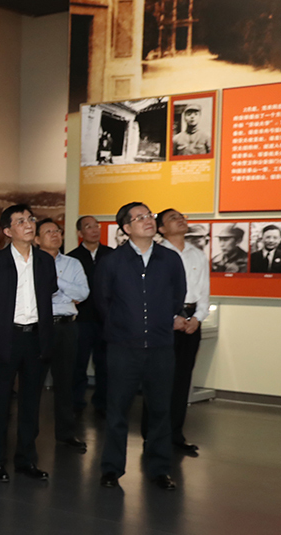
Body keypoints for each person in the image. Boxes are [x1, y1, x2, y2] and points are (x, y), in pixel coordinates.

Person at [95, 202, 186, 491]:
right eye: (140, 217)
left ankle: (159, 469)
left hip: (160, 346)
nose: (148, 220)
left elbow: (178, 295)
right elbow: (102, 301)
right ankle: (111, 469)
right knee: (117, 410)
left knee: (160, 410)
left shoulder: (169, 259)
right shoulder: (112, 261)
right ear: (126, 228)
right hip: (123, 347)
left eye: (149, 216)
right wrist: (122, 326)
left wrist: (160, 321)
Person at [0, 204, 57, 483]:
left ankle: (27, 459)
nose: (28, 224)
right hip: (5, 338)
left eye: (30, 219)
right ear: (7, 231)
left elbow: (49, 292)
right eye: (20, 221)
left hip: (37, 338)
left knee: (31, 403)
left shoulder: (45, 261)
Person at [146, 208, 210, 455]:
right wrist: (171, 318)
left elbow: (204, 291)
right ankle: (152, 436)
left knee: (182, 380)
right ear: (161, 229)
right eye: (173, 218)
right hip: (164, 323)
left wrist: (198, 318)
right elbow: (152, 293)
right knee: (159, 381)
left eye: (181, 216)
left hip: (191, 322)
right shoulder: (155, 255)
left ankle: (175, 434)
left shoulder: (197, 254)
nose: (181, 220)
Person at [36, 218, 89, 451]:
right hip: (39, 326)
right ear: (37, 239)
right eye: (48, 231)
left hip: (67, 327)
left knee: (65, 381)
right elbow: (36, 295)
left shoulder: (72, 263)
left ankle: (66, 433)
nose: (55, 234)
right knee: (34, 381)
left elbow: (83, 293)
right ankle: (29, 435)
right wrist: (67, 293)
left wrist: (57, 282)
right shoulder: (31, 262)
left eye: (57, 231)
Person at [68, 215, 113, 417]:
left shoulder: (111, 255)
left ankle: (103, 402)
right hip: (81, 319)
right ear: (80, 233)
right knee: (78, 363)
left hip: (106, 319)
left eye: (97, 226)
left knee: (105, 364)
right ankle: (76, 401)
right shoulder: (72, 258)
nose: (94, 230)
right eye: (89, 227)